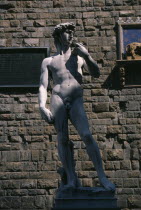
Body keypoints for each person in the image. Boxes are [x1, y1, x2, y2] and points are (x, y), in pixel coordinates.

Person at [38, 22, 115, 191]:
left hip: (75, 99)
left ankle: (102, 177)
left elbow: (96, 74)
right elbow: (43, 86)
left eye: (72, 32)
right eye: (67, 32)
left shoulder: (78, 57)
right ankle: (71, 179)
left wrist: (87, 56)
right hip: (57, 97)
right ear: (59, 36)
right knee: (63, 139)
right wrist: (42, 106)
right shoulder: (48, 61)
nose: (70, 35)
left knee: (87, 135)